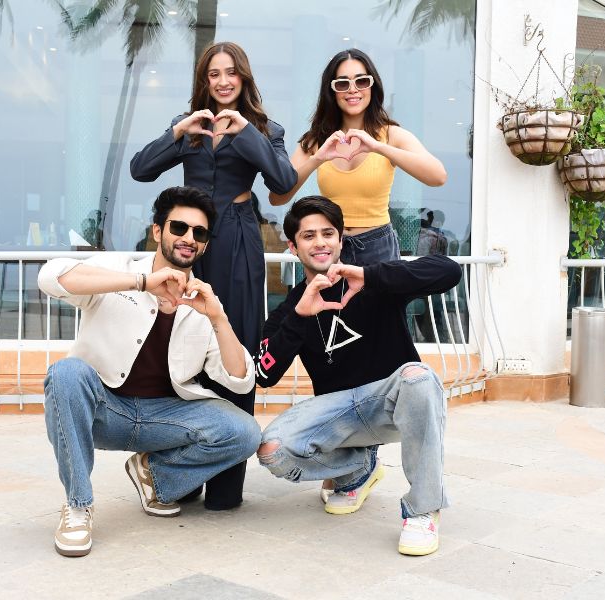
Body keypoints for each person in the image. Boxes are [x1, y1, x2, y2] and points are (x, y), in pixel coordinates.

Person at [38, 186, 260, 557]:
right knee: (66, 373)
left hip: (163, 419)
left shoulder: (202, 301)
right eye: (179, 227)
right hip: (105, 410)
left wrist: (218, 318)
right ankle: (78, 506)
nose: (188, 238)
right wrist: (142, 283)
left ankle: (153, 477)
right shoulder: (120, 272)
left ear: (205, 244)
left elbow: (240, 379)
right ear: (158, 231)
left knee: (245, 432)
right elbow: (51, 277)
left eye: (199, 233)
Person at [130, 41, 297, 510]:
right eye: (213, 74)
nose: (223, 82)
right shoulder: (189, 125)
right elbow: (140, 169)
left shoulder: (265, 129)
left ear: (244, 77)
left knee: (235, 343)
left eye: (231, 73)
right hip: (190, 243)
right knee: (180, 344)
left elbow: (284, 182)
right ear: (204, 80)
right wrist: (178, 133)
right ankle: (180, 477)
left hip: (239, 239)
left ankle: (226, 485)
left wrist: (246, 133)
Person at [254, 196, 461, 556]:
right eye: (308, 236)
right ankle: (358, 470)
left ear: (340, 241)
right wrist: (299, 317)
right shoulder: (291, 307)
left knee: (418, 376)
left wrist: (371, 275)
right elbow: (265, 374)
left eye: (328, 234)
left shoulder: (374, 279)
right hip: (340, 415)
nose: (320, 242)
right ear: (293, 246)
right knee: (273, 450)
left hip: (391, 402)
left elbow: (449, 271)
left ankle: (423, 510)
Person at [268, 48, 447, 266]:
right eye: (343, 84)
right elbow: (277, 197)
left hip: (379, 248)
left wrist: (378, 147)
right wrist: (317, 159)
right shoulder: (317, 140)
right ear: (332, 91)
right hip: (332, 248)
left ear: (372, 86)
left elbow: (438, 176)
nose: (353, 89)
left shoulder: (391, 135)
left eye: (361, 81)